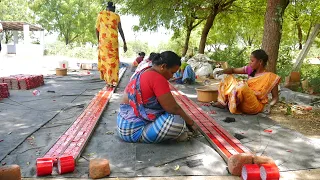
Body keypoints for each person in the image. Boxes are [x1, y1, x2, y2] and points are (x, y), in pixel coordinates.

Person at [117, 51, 197, 143]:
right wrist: (191, 123)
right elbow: (173, 108)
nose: (172, 76)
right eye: (172, 72)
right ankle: (143, 136)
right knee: (177, 120)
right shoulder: (157, 78)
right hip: (132, 131)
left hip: (123, 124)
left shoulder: (145, 70)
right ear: (163, 66)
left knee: (178, 113)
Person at [213, 49, 280, 114]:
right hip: (241, 102)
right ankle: (222, 102)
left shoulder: (271, 77)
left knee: (242, 85)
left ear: (260, 62)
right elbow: (233, 70)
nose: (249, 63)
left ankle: (231, 105)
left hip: (254, 105)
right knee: (227, 77)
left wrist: (269, 105)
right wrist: (221, 71)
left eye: (252, 61)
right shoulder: (250, 70)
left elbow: (275, 98)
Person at [96, 1, 127, 87]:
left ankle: (108, 81)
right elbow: (120, 29)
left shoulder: (101, 14)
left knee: (105, 60)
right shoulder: (116, 16)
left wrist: (98, 41)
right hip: (113, 41)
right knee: (113, 60)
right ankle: (112, 80)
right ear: (113, 9)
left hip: (103, 41)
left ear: (106, 8)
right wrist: (124, 42)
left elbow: (97, 29)